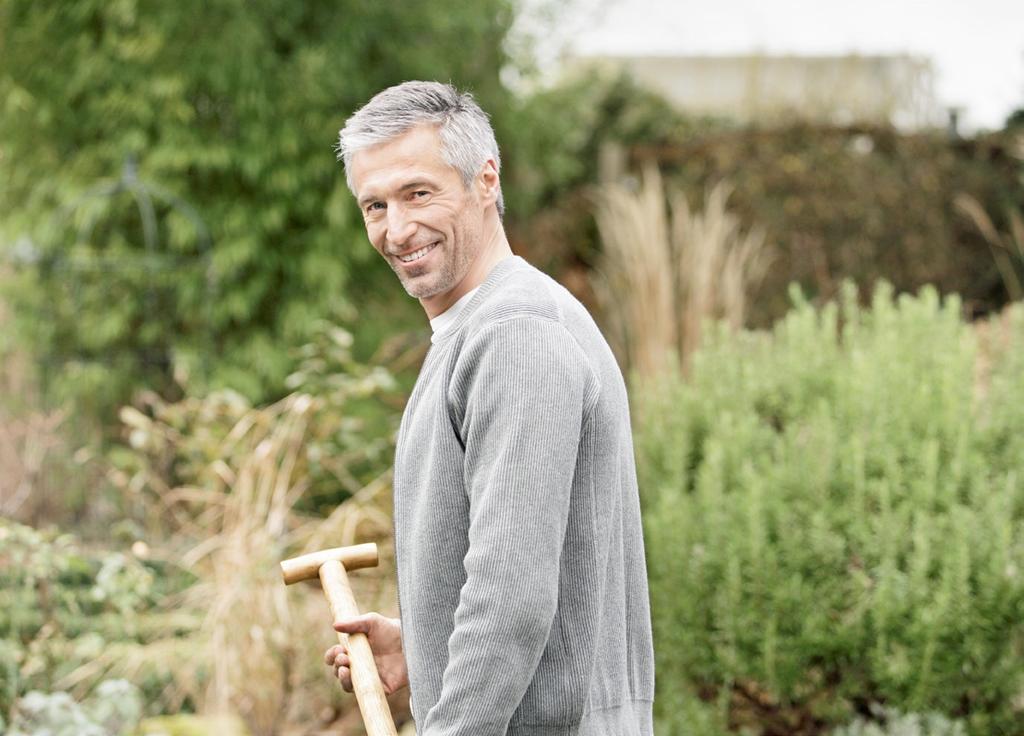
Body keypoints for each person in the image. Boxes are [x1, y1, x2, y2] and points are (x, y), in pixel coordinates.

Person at [323, 80, 654, 735]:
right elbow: (527, 573)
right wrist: (422, 646)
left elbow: (512, 602)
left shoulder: (515, 337)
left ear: (485, 180)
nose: (397, 229)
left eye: (419, 193)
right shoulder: (479, 330)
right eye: (375, 205)